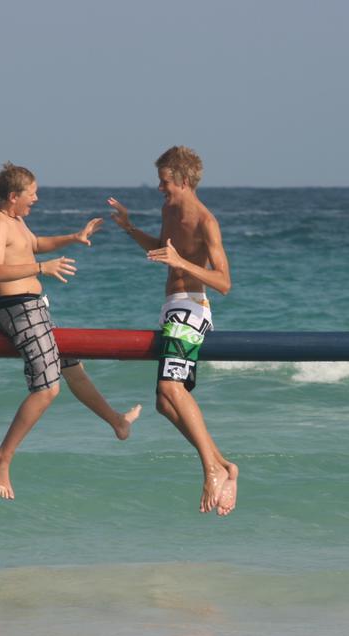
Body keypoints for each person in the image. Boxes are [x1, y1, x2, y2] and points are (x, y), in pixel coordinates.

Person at [0, 162, 141, 500]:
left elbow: (35, 244)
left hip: (35, 307)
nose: (36, 198)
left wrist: (73, 237)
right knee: (47, 389)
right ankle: (1, 457)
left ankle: (116, 421)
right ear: (13, 196)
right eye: (32, 193)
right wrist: (43, 269)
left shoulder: (17, 220)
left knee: (74, 368)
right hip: (18, 310)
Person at [107, 146, 238, 516]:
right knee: (164, 404)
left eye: (164, 182)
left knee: (170, 388)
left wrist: (183, 262)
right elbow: (162, 250)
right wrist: (131, 229)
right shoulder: (168, 210)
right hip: (170, 306)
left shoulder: (206, 221)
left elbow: (224, 282)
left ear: (182, 180)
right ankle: (225, 464)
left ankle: (211, 468)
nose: (160, 188)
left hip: (193, 308)